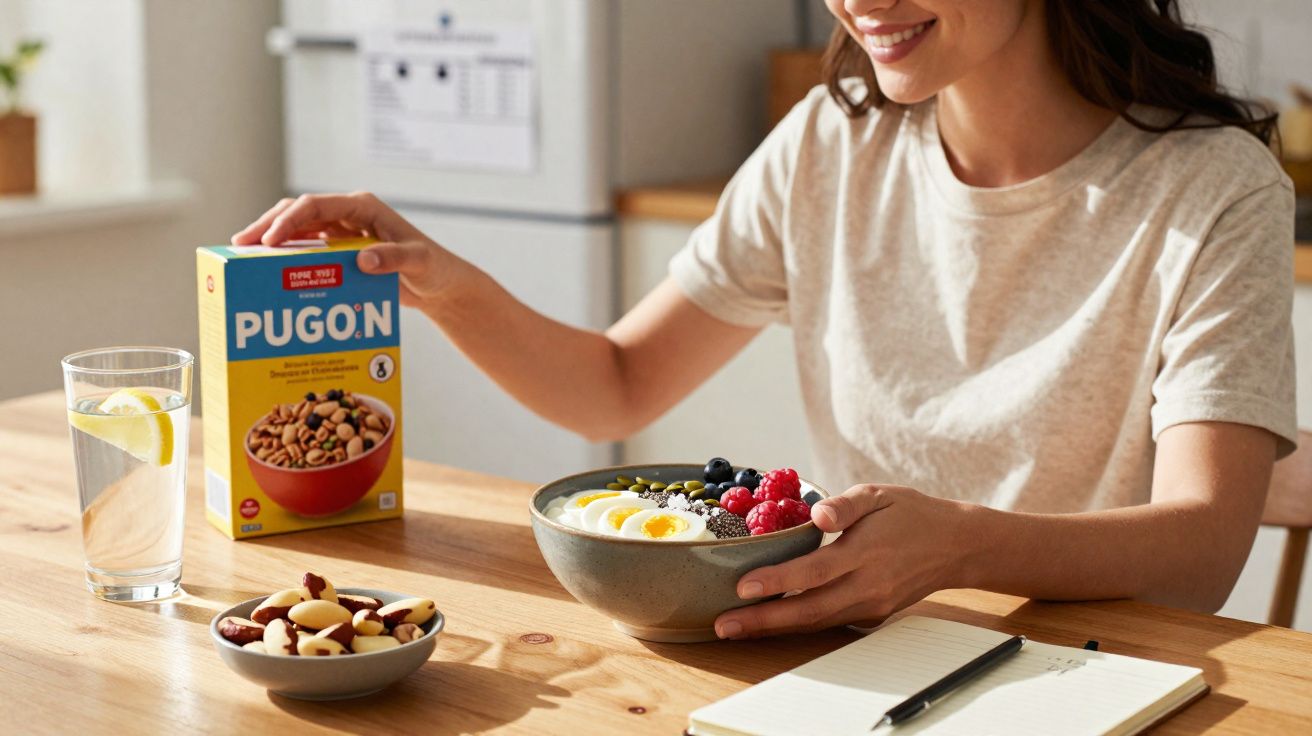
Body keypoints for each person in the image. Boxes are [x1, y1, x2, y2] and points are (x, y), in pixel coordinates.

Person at [233, 0, 1297, 640]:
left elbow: (1200, 550)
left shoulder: (1211, 189)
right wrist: (433, 276)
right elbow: (614, 383)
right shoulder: (831, 146)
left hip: (1099, 682)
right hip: (854, 662)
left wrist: (959, 546)